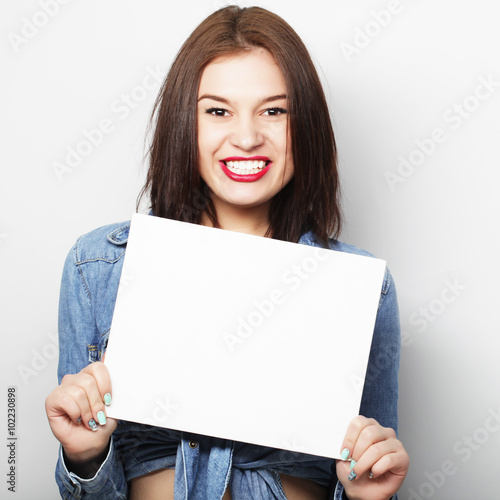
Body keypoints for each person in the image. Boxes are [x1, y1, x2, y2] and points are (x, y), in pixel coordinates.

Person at [45, 5, 409, 500]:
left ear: (305, 127)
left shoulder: (362, 288)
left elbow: (365, 470)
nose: (246, 137)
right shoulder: (98, 269)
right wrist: (84, 456)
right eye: (218, 111)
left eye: (274, 111)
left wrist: (368, 490)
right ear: (184, 123)